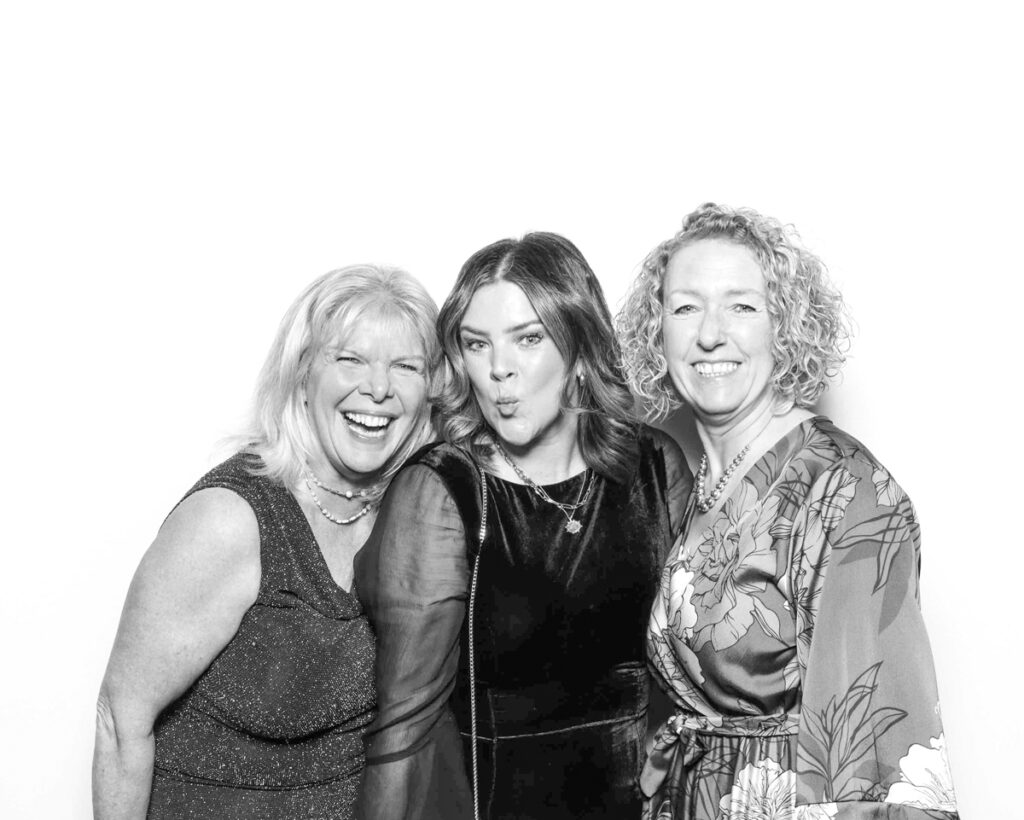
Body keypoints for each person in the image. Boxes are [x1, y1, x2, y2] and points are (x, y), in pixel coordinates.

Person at [616, 203, 958, 820]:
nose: (710, 333)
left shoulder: (847, 491)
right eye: (685, 306)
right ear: (656, 330)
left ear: (786, 327)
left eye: (742, 305)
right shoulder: (695, 482)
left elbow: (874, 761)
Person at [354, 232, 692, 820]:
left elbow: (695, 673)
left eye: (528, 339)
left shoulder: (657, 468)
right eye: (476, 344)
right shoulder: (442, 490)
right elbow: (402, 727)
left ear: (579, 347)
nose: (499, 372)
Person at [93, 265, 442, 819]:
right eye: (349, 359)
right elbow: (121, 720)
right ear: (302, 374)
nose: (378, 388)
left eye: (405, 366)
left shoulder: (417, 512)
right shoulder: (231, 519)